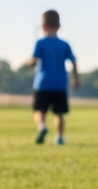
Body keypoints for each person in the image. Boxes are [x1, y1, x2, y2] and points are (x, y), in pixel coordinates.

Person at [26, 9, 78, 144]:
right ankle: (59, 137)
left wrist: (29, 63)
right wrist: (76, 78)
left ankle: (42, 126)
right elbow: (73, 61)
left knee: (39, 110)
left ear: (43, 26)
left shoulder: (40, 43)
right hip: (60, 83)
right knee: (59, 113)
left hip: (42, 83)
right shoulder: (64, 44)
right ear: (59, 26)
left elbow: (33, 61)